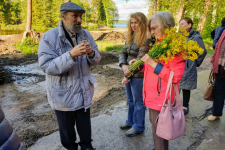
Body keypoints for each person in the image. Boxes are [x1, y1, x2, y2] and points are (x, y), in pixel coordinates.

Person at [38, 2, 101, 150]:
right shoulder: (49, 37)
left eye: (80, 16)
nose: (79, 20)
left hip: (83, 91)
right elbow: (46, 66)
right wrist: (71, 55)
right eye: (75, 16)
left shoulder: (86, 35)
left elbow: (97, 60)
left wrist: (92, 53)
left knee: (85, 129)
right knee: (67, 134)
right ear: (63, 16)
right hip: (63, 96)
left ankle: (87, 146)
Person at [129, 11, 185, 150]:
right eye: (151, 28)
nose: (151, 31)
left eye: (154, 28)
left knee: (159, 134)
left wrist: (153, 64)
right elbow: (151, 69)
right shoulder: (159, 43)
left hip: (162, 99)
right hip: (153, 97)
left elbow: (176, 76)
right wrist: (140, 65)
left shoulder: (174, 46)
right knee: (159, 132)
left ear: (166, 26)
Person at [119, 12, 150, 137]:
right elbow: (123, 52)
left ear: (142, 23)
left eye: (136, 23)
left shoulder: (147, 39)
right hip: (128, 71)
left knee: (138, 102)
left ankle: (138, 126)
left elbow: (140, 60)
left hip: (139, 76)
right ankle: (131, 121)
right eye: (131, 22)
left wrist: (127, 75)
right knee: (130, 100)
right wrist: (123, 65)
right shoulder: (130, 36)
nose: (133, 25)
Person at [179, 17, 207, 115]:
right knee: (176, 86)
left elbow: (203, 52)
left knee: (186, 86)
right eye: (179, 24)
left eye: (182, 24)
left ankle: (185, 106)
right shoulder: (179, 36)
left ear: (189, 25)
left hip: (188, 65)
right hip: (178, 65)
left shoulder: (196, 37)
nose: (180, 26)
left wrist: (195, 62)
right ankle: (176, 105)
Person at [208, 30, 225, 121]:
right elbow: (218, 47)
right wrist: (214, 62)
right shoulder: (224, 31)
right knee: (218, 90)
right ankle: (216, 113)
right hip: (220, 66)